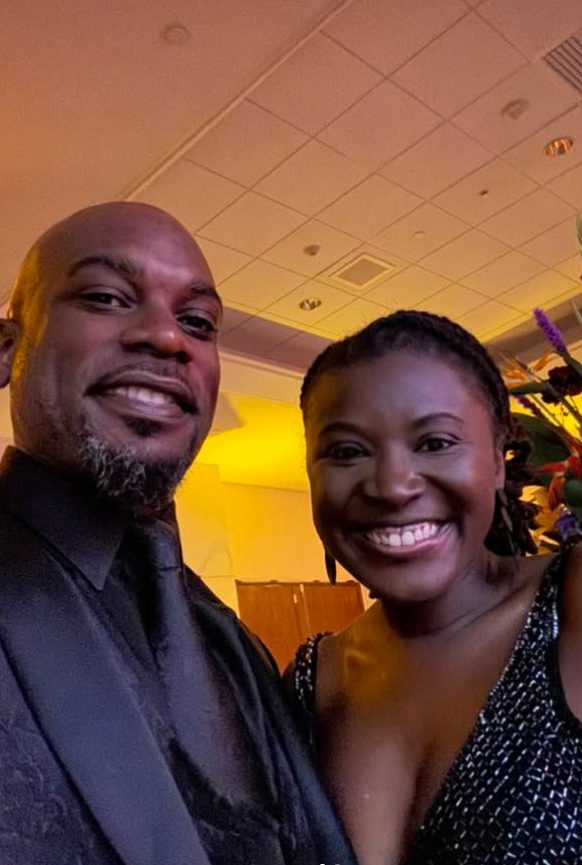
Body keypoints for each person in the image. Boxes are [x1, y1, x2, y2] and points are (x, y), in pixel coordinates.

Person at [0, 202, 355, 865]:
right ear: (8, 348)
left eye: (197, 321)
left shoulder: (227, 637)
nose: (169, 339)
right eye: (106, 297)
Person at [289, 309, 582, 865]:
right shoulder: (310, 682)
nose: (392, 486)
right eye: (346, 451)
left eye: (435, 442)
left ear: (495, 459)